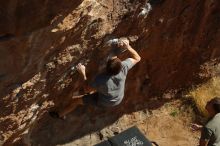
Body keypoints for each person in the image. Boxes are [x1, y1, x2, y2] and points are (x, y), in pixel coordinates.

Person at [50, 39, 141, 119]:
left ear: (106, 67)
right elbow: (137, 58)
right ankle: (98, 91)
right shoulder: (124, 67)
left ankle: (59, 115)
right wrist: (128, 47)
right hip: (118, 97)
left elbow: (86, 89)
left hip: (106, 101)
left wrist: (83, 73)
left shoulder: (101, 79)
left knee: (75, 100)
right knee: (96, 89)